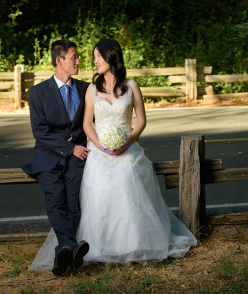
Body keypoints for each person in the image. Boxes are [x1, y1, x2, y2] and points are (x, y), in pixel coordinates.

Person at [31, 39, 196, 270]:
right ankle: (81, 249)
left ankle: (127, 246)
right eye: (84, 57)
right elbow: (75, 127)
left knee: (120, 179)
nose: (91, 60)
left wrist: (124, 143)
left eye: (97, 56)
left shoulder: (122, 86)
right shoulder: (75, 90)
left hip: (120, 149)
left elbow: (141, 121)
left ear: (111, 57)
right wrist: (100, 146)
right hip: (80, 152)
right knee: (76, 192)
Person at [23, 40, 91, 275]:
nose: (79, 61)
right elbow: (40, 132)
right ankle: (71, 248)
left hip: (78, 157)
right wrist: (69, 148)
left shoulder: (86, 89)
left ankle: (63, 254)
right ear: (59, 60)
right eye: (75, 57)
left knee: (74, 203)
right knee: (56, 202)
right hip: (48, 157)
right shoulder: (38, 92)